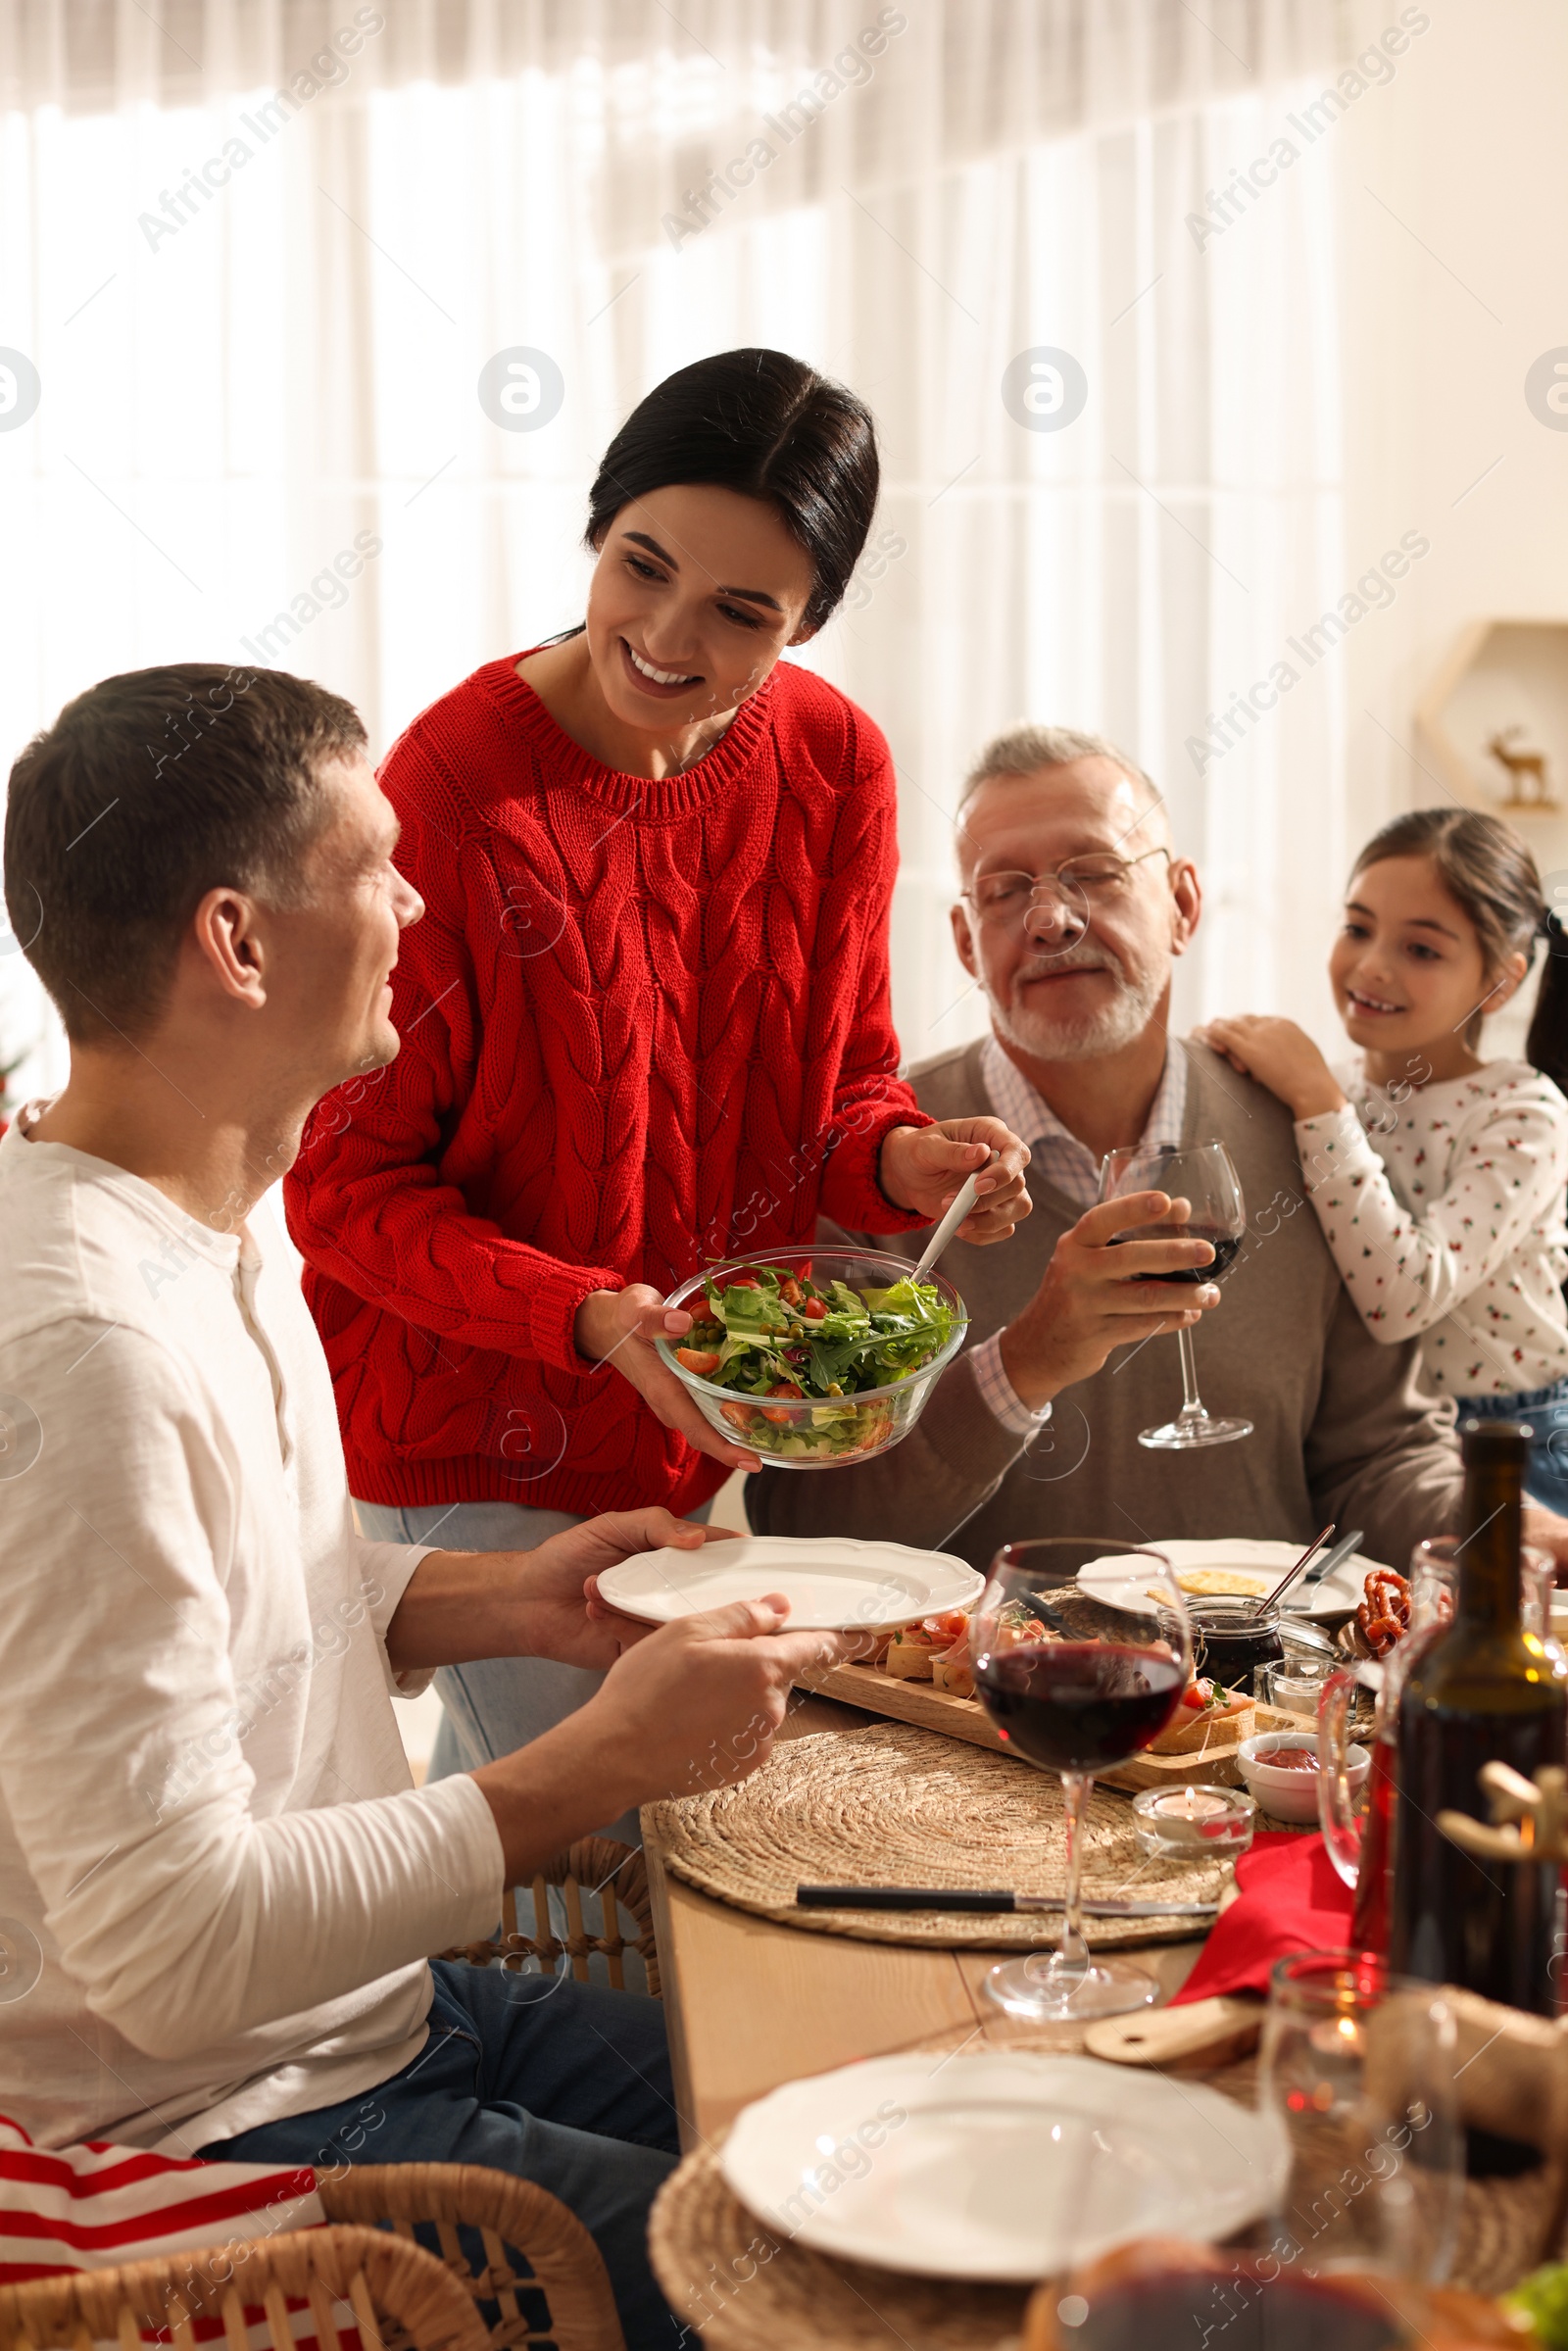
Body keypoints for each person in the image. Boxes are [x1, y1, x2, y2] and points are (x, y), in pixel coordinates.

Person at [0, 663, 859, 2350]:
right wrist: (600, 1760)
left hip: (370, 2019)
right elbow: (170, 1944)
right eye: (378, 861)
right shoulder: (83, 1344)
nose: (416, 899)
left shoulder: (210, 1222)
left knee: (855, 2093)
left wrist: (508, 1598)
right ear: (238, 942)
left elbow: (239, 1582)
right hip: (230, 2124)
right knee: (844, 2269)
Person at [282, 349, 1028, 1807]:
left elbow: (835, 1096)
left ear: (806, 618)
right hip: (473, 1444)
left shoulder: (834, 764)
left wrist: (903, 1161)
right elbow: (341, 1190)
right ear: (596, 526)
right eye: (643, 565)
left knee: (693, 1849)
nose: (670, 635)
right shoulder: (449, 792)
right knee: (615, 1845)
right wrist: (593, 1313)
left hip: (689, 1438)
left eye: (743, 610)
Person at [746, 723, 1568, 1576]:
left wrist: (1507, 1530)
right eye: (1003, 890)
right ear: (964, 943)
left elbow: (1377, 1462)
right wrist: (1023, 1364)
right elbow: (801, 1525)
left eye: (1093, 875)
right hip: (971, 1698)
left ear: (1182, 904)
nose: (1052, 919)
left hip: (1255, 1696)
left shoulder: (1311, 1131)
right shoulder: (874, 1164)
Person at [1202, 807, 1568, 1513]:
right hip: (1365, 1444)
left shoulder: (1524, 1112)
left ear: (1500, 982)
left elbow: (1404, 1296)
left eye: (1422, 949)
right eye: (1358, 927)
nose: (1371, 966)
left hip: (1516, 1447)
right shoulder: (1325, 1096)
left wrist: (1317, 1098)